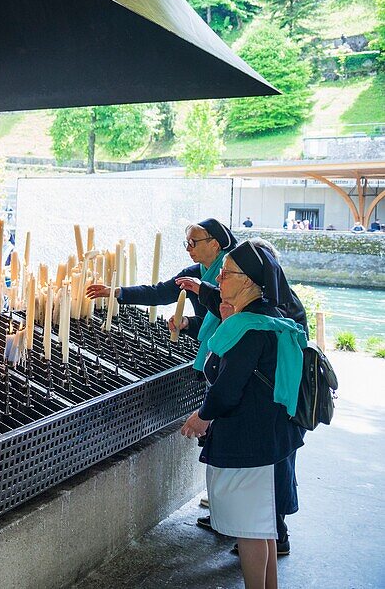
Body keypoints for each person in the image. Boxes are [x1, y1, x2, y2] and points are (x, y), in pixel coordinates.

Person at [180, 241, 306, 588]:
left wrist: (201, 417)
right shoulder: (272, 316)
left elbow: (228, 388)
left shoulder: (247, 328)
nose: (219, 278)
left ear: (249, 281)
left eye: (227, 272)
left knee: (251, 532)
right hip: (270, 436)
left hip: (248, 440)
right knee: (262, 529)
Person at [86, 218, 237, 343]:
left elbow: (236, 314)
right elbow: (159, 293)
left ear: (214, 244)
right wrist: (116, 291)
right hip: (209, 348)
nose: (188, 249)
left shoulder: (238, 273)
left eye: (193, 243)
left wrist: (202, 290)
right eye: (187, 243)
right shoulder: (193, 274)